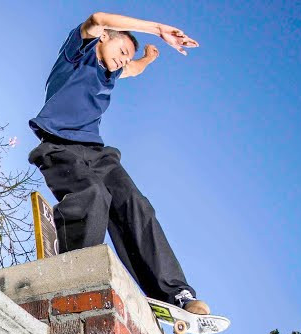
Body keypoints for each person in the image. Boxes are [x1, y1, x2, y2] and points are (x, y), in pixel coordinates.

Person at [29, 12, 210, 315]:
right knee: (92, 196)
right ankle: (76, 275)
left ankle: (175, 294)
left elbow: (135, 69)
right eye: (122, 51)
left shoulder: (113, 72)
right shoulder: (78, 53)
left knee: (135, 204)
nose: (124, 60)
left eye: (127, 57)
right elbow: (97, 18)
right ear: (104, 38)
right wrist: (157, 30)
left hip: (98, 153)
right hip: (59, 148)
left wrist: (147, 58)